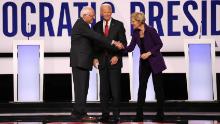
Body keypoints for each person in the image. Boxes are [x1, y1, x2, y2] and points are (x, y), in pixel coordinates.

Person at [70, 6, 123, 121]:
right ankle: (79, 113)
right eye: (92, 15)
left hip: (82, 62)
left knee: (83, 89)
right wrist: (113, 42)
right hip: (80, 62)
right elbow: (97, 37)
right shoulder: (81, 24)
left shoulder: (83, 25)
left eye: (94, 15)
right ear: (85, 15)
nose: (94, 18)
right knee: (81, 89)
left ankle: (79, 112)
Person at [124, 12, 166, 121]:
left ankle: (160, 115)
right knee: (142, 88)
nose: (132, 23)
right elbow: (131, 47)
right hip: (144, 64)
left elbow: (159, 44)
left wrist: (148, 53)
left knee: (158, 89)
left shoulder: (151, 30)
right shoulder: (135, 33)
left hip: (155, 62)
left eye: (133, 21)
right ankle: (139, 115)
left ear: (139, 21)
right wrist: (121, 47)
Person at [92, 3, 127, 122]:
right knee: (104, 90)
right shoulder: (96, 26)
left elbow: (123, 43)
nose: (107, 14)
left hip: (114, 62)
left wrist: (117, 56)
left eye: (109, 11)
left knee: (115, 90)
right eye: (104, 12)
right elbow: (94, 44)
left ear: (111, 12)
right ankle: (105, 114)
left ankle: (116, 114)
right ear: (101, 13)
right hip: (102, 61)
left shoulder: (119, 25)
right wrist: (95, 58)